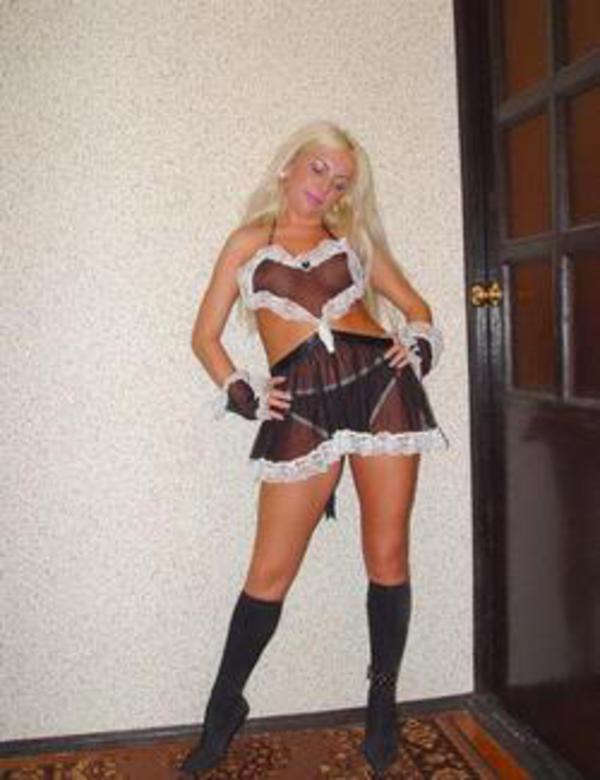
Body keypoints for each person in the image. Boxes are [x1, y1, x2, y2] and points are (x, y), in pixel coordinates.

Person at [181, 120, 448, 777]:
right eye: (318, 169)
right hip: (302, 402)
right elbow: (204, 338)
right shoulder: (248, 242)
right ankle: (223, 708)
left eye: (340, 181)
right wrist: (242, 392)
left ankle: (381, 702)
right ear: (288, 167)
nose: (326, 187)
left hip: (380, 390)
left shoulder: (352, 240)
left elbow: (417, 308)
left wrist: (415, 344)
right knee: (269, 572)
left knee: (387, 554)